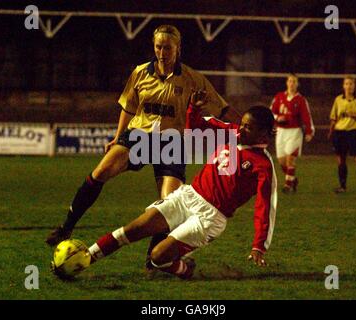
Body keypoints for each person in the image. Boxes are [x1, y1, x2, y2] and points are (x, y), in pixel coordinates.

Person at [45, 25, 229, 273]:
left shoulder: (193, 79)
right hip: (139, 136)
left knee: (167, 202)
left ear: (177, 48)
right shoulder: (140, 73)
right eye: (158, 47)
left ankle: (152, 261)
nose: (162, 52)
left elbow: (223, 108)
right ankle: (66, 227)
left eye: (167, 47)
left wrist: (251, 123)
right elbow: (128, 107)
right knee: (102, 170)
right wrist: (118, 137)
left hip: (172, 144)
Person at [62, 96, 277, 281]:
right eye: (243, 123)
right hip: (188, 196)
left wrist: (259, 245)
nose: (241, 127)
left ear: (264, 135)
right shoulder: (232, 133)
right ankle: (82, 260)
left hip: (210, 218)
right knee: (131, 230)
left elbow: (265, 207)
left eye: (249, 127)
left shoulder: (263, 166)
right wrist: (194, 108)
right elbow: (196, 127)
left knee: (157, 257)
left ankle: (184, 269)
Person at [328, 77, 356, 193]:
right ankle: (342, 187)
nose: (349, 86)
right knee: (341, 159)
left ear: (354, 86)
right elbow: (334, 118)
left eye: (351, 84)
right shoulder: (338, 100)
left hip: (354, 131)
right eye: (347, 84)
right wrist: (330, 131)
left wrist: (354, 115)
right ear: (343, 86)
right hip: (340, 132)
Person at [270, 74, 314, 193]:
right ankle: (292, 179)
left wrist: (309, 131)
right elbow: (271, 112)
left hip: (294, 131)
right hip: (281, 132)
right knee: (282, 162)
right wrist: (278, 117)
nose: (292, 83)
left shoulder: (300, 99)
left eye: (294, 81)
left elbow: (306, 116)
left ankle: (288, 185)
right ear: (287, 83)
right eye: (290, 81)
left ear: (297, 84)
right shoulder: (279, 97)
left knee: (290, 159)